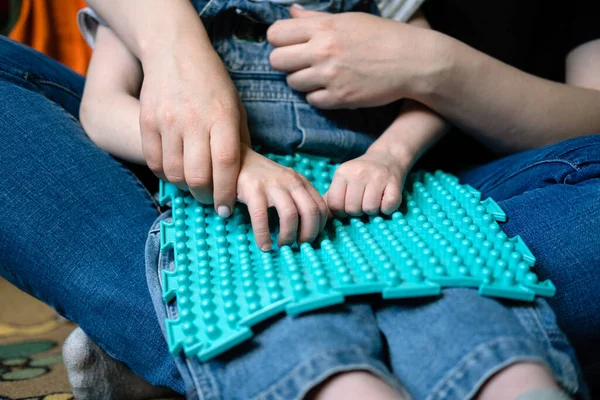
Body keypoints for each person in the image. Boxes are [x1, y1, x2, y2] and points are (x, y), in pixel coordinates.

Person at [0, 1, 595, 400]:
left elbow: (425, 93)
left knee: (474, 318)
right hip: (224, 217)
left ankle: (163, 347)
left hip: (386, 200)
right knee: (298, 341)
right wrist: (236, 166)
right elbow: (103, 112)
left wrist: (389, 156)